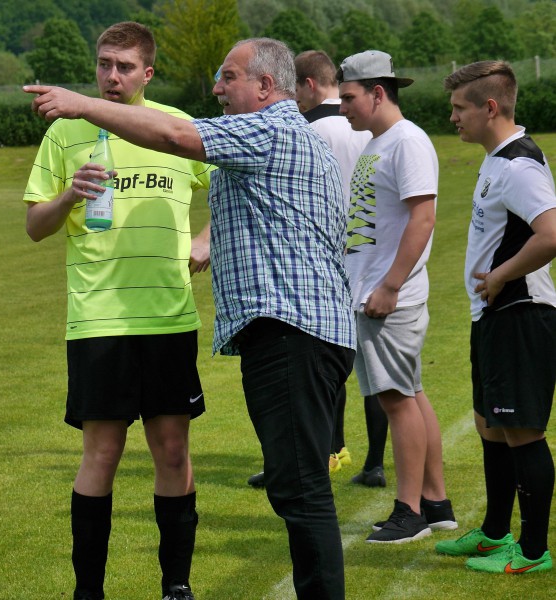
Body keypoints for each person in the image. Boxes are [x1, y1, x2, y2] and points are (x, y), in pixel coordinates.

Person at [27, 37, 355, 600]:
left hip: (292, 333)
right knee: (294, 487)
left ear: (265, 87)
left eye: (228, 77)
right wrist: (210, 239)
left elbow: (179, 136)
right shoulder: (276, 135)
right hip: (293, 331)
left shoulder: (270, 130)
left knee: (301, 492)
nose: (217, 88)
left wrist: (80, 104)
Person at [22, 22, 212, 600]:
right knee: (101, 452)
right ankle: (89, 591)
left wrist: (206, 239)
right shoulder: (65, 132)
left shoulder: (174, 128)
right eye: (104, 64)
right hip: (99, 319)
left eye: (125, 67)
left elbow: (238, 191)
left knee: (173, 451)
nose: (111, 76)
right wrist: (66, 196)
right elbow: (34, 226)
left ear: (147, 73)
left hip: (168, 318)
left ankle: (175, 586)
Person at [434, 60, 556, 574]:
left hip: (519, 316)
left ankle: (531, 553)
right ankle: (493, 533)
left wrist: (503, 274)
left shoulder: (519, 166)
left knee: (521, 430)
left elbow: (551, 233)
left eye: (460, 108)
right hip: (491, 315)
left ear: (489, 107)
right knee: (490, 426)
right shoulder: (496, 157)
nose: (453, 118)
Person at [336, 50, 456, 543]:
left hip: (388, 297)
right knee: (410, 393)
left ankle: (408, 512)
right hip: (372, 292)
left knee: (396, 400)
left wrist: (389, 285)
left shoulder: (406, 142)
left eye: (348, 97)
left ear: (377, 93)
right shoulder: (379, 142)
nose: (342, 108)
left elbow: (422, 218)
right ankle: (436, 502)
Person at [246, 50, 375, 489]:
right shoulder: (367, 129)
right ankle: (371, 459)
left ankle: (322, 450)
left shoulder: (309, 129)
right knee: (374, 373)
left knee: (316, 365)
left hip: (320, 257)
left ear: (308, 85)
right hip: (370, 252)